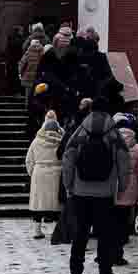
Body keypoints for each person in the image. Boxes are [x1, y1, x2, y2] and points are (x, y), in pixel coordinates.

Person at [62, 97, 129, 274]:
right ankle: (105, 273)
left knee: (80, 234)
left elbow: (68, 158)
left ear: (91, 110)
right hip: (105, 193)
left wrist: (69, 185)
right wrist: (122, 186)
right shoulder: (114, 134)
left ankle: (75, 273)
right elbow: (124, 161)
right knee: (105, 235)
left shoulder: (80, 131)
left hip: (81, 193)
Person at [51, 97, 93, 246]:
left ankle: (68, 234)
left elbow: (61, 153)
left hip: (75, 174)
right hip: (92, 176)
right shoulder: (97, 129)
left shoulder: (73, 130)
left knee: (72, 206)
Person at [114, 114, 138, 265]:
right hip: (130, 187)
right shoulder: (137, 148)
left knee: (110, 221)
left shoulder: (111, 142)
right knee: (123, 222)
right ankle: (119, 253)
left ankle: (107, 251)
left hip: (113, 187)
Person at [26, 110, 64, 240]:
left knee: (38, 204)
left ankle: (37, 231)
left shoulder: (36, 141)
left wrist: (33, 172)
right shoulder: (61, 141)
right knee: (55, 204)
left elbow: (29, 160)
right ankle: (54, 231)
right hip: (57, 173)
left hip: (40, 173)